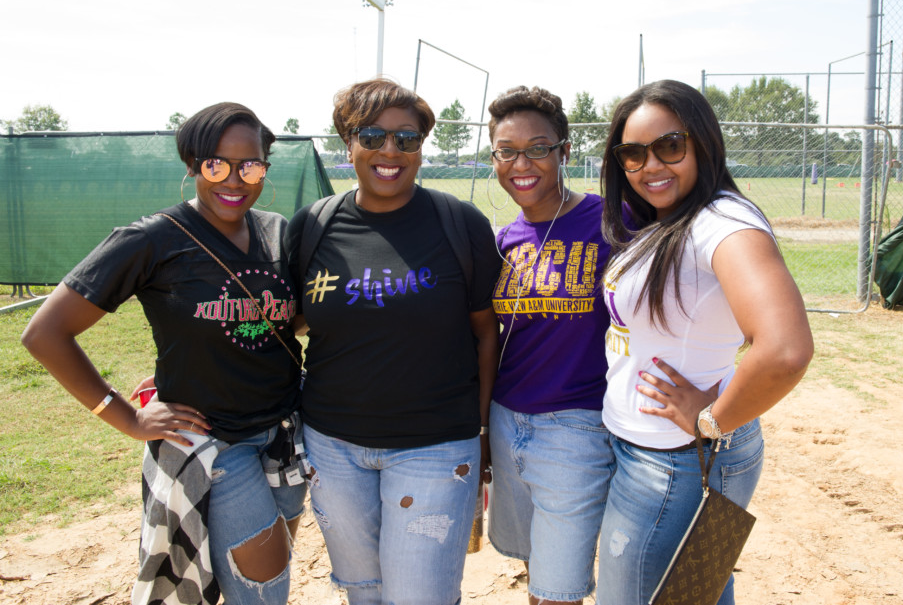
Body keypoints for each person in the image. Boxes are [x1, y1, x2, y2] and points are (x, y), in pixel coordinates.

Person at [21, 102, 307, 605]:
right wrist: (126, 417)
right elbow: (45, 333)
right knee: (264, 586)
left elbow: (288, 318)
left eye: (251, 165)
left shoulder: (276, 232)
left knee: (263, 564)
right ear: (193, 166)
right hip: (215, 444)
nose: (235, 179)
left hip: (285, 434)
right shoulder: (153, 239)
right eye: (216, 164)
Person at [595, 80, 814, 605]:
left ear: (704, 144)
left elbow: (785, 350)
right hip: (667, 455)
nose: (651, 166)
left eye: (669, 146)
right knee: (697, 593)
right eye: (632, 153)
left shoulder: (721, 221)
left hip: (674, 462)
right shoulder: (673, 220)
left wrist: (710, 420)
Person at [284, 78, 502, 605]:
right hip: (332, 448)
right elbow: (287, 325)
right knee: (362, 592)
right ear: (348, 143)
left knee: (419, 597)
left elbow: (486, 335)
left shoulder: (459, 223)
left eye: (407, 139)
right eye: (373, 135)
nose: (390, 151)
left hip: (434, 447)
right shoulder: (313, 225)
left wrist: (484, 432)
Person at [484, 85, 615, 605]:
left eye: (538, 148)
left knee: (558, 590)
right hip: (507, 418)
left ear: (564, 151)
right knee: (536, 563)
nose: (522, 163)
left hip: (577, 426)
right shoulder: (504, 239)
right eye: (507, 150)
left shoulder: (612, 222)